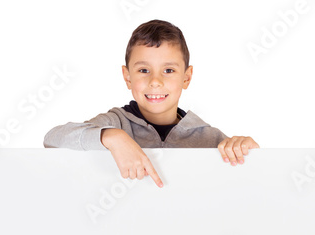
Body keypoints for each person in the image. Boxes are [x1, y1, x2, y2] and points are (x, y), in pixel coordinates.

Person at [44, 19, 259, 188]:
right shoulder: (115, 123)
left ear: (186, 77)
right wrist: (112, 137)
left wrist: (250, 153)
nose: (155, 81)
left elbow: (243, 185)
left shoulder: (208, 138)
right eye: (144, 70)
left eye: (168, 70)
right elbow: (52, 139)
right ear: (127, 77)